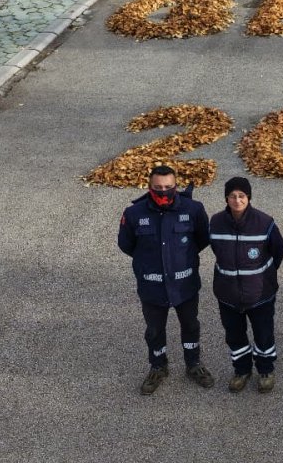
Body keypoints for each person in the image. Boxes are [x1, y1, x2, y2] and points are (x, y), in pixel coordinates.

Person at [117, 165, 212, 395]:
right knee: (154, 330)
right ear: (149, 186)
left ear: (176, 186)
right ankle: (158, 366)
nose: (163, 191)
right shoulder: (134, 214)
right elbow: (126, 244)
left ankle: (193, 364)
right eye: (158, 187)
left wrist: (180, 261)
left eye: (168, 187)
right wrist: (149, 263)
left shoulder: (193, 209)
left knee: (190, 326)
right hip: (152, 287)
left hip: (184, 285)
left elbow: (202, 239)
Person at [209, 176, 283, 394]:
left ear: (248, 197)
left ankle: (265, 370)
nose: (237, 200)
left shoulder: (264, 222)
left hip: (260, 294)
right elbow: (216, 249)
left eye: (241, 196)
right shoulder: (215, 222)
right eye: (232, 196)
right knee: (234, 335)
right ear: (226, 198)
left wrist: (264, 275)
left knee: (263, 334)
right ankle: (241, 370)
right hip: (227, 294)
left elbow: (278, 250)